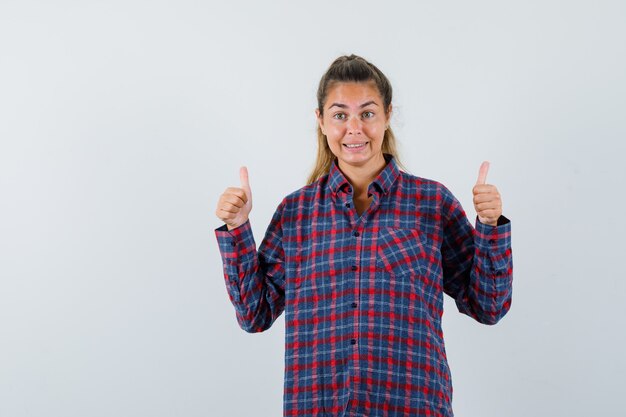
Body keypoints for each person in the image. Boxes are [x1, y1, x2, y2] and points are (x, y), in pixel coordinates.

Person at [214, 54, 512, 417]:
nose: (354, 128)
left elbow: (489, 305)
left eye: (367, 113)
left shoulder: (431, 203)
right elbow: (254, 314)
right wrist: (237, 229)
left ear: (387, 115)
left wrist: (490, 224)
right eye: (340, 115)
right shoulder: (295, 213)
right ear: (320, 121)